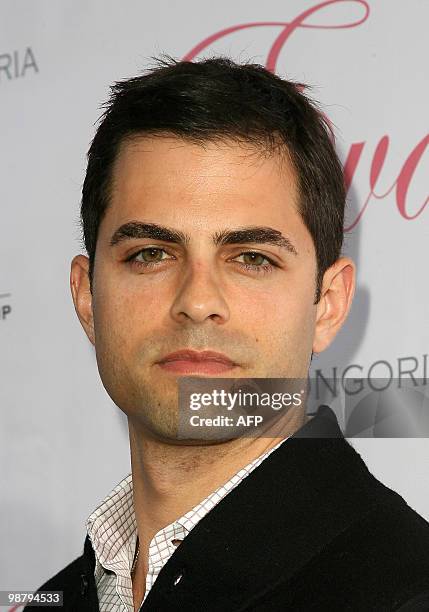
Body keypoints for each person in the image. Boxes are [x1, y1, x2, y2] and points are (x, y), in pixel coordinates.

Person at [27, 56, 429, 611]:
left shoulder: (408, 588)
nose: (197, 301)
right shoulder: (53, 599)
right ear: (87, 297)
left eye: (251, 258)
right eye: (151, 254)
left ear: (327, 305)